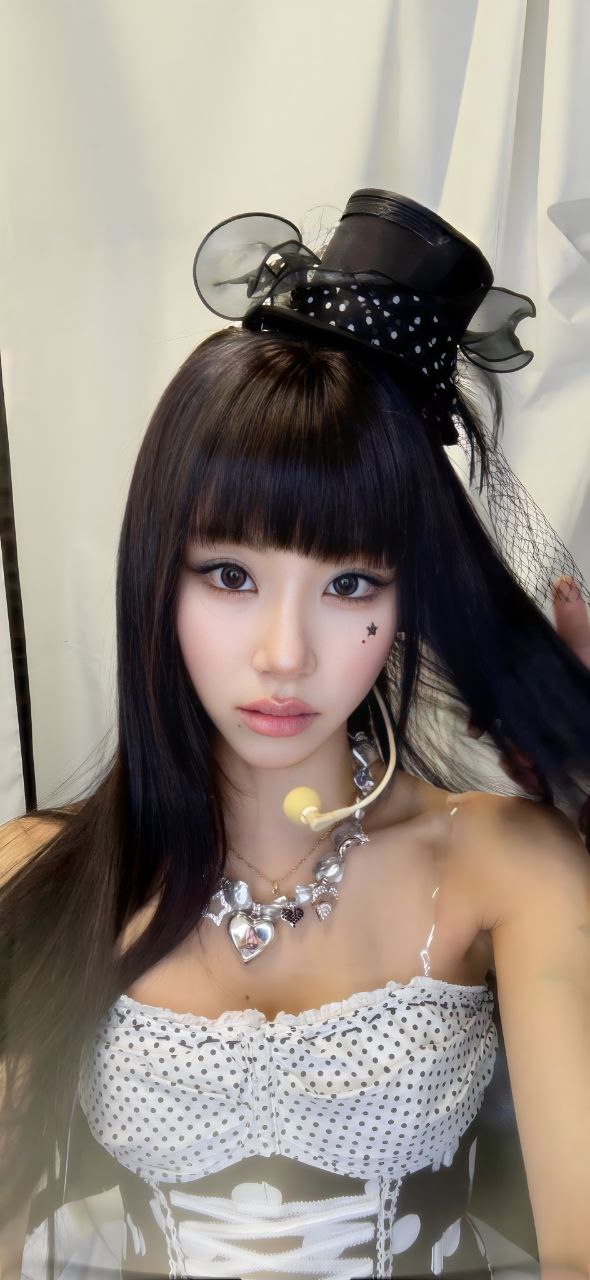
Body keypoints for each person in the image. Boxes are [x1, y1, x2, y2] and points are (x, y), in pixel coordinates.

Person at [1, 190, 589, 1280]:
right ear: (157, 579)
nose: (285, 654)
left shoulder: (506, 863)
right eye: (230, 575)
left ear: (407, 598)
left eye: (349, 583)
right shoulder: (42, 873)